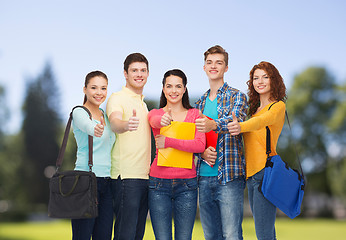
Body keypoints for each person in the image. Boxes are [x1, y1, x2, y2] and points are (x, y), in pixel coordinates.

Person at [227, 61, 287, 240]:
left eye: (265, 77)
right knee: (266, 232)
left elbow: (261, 121)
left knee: (264, 233)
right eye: (255, 78)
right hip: (251, 175)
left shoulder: (277, 107)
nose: (260, 81)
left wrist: (241, 126)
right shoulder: (253, 111)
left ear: (273, 80)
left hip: (265, 173)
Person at [195, 45, 248, 240]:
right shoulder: (198, 103)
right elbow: (192, 139)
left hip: (229, 177)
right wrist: (200, 154)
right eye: (209, 62)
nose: (213, 66)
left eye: (219, 62)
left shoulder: (237, 96)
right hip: (203, 177)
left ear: (226, 68)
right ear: (204, 68)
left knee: (232, 235)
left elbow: (237, 121)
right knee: (211, 236)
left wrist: (213, 124)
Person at [148, 69, 206, 240]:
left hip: (187, 185)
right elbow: (154, 121)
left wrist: (169, 142)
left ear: (184, 89)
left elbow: (199, 145)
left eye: (178, 86)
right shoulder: (156, 113)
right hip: (158, 184)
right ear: (164, 89)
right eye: (169, 86)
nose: (173, 90)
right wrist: (163, 120)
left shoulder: (195, 114)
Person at [106, 53, 151, 240]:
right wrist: (126, 125)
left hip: (145, 176)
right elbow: (115, 121)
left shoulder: (144, 104)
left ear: (148, 73)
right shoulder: (117, 98)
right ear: (125, 73)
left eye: (143, 70)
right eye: (134, 70)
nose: (139, 74)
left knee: (137, 235)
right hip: (126, 177)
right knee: (125, 235)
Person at [71, 70, 115, 240]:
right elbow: (87, 126)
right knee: (82, 236)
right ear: (85, 89)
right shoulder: (79, 112)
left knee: (103, 236)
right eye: (94, 88)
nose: (99, 92)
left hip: (106, 182)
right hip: (85, 181)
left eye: (103, 88)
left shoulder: (106, 116)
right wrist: (94, 129)